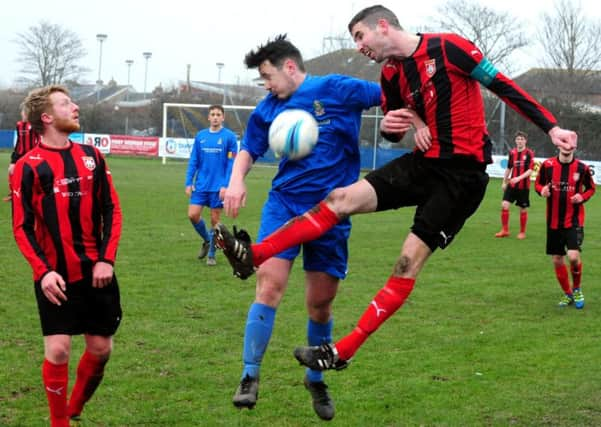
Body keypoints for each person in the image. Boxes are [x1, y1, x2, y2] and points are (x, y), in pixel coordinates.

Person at [215, 5, 578, 386]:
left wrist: (551, 128)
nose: (358, 47)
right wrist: (395, 126)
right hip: (423, 163)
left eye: (360, 36)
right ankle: (254, 255)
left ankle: (344, 350)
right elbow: (394, 123)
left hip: (462, 178)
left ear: (382, 26)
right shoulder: (390, 73)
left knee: (406, 263)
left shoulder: (450, 48)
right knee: (340, 199)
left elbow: (502, 85)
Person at [215, 35, 381, 420]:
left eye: (268, 76)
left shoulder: (338, 89)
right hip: (285, 205)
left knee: (320, 304)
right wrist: (237, 179)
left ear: (290, 67)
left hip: (333, 212)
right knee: (268, 286)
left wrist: (406, 118)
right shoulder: (268, 108)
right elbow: (249, 148)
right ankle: (249, 377)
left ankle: (315, 379)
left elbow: (392, 96)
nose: (266, 84)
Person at [10, 85, 122, 427]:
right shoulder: (28, 167)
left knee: (101, 350)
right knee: (58, 349)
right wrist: (43, 271)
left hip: (96, 270)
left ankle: (75, 406)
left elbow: (111, 209)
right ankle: (58, 422)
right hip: (54, 275)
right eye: (65, 103)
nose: (75, 107)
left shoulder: (92, 156)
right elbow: (22, 227)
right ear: (46, 117)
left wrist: (106, 258)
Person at [535, 147, 595, 309]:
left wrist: (581, 196)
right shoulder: (547, 165)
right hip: (553, 221)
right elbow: (538, 184)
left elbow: (591, 188)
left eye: (570, 145)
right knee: (557, 259)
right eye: (563, 144)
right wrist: (542, 191)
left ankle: (577, 289)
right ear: (558, 146)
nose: (566, 148)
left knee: (573, 256)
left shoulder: (582, 168)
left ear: (574, 147)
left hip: (573, 220)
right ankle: (567, 293)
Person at [185, 104, 237, 266]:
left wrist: (225, 185)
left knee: (215, 220)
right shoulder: (201, 136)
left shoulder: (229, 137)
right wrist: (189, 182)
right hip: (201, 185)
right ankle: (208, 241)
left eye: (218, 114)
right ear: (208, 117)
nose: (215, 117)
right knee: (192, 215)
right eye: (212, 114)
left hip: (218, 187)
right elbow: (194, 160)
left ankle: (212, 255)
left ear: (223, 117)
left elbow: (231, 163)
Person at [495, 131, 535, 239]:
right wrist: (504, 181)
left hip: (523, 187)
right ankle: (505, 230)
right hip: (512, 185)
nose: (520, 141)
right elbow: (509, 168)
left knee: (522, 209)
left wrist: (519, 178)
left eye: (522, 139)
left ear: (525, 141)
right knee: (504, 205)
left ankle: (522, 232)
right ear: (515, 141)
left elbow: (530, 170)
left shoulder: (529, 153)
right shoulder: (512, 153)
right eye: (518, 139)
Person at [4, 108, 41, 201]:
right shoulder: (19, 125)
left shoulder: (33, 125)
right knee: (11, 171)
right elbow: (19, 140)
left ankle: (33, 193)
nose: (22, 114)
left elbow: (39, 139)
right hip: (19, 153)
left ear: (28, 114)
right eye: (22, 113)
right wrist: (14, 155)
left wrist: (38, 152)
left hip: (31, 154)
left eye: (24, 113)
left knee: (30, 174)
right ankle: (13, 193)